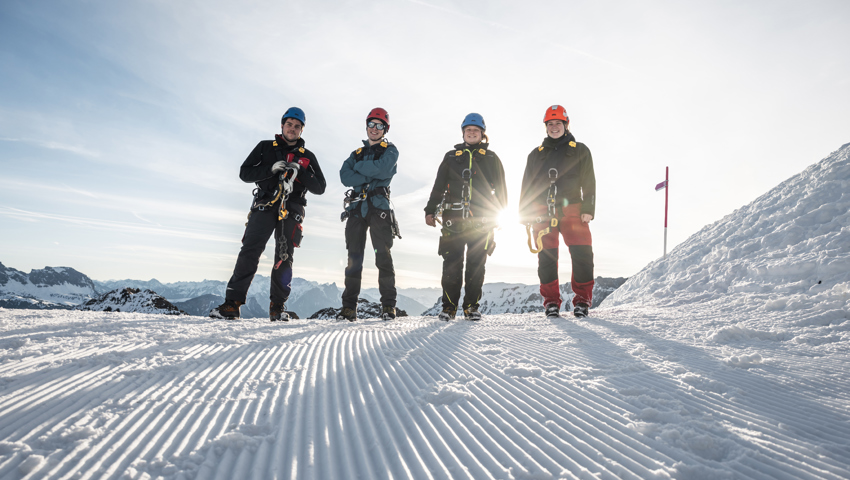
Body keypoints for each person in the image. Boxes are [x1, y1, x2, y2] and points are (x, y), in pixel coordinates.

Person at [210, 107, 326, 321]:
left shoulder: (307, 157)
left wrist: (300, 172)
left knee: (284, 256)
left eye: (297, 126)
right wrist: (270, 169)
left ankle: (277, 308)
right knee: (250, 251)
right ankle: (232, 304)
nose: (292, 129)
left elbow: (320, 187)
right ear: (282, 125)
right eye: (289, 124)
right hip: (265, 204)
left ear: (301, 130)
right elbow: (245, 173)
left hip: (291, 209)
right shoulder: (265, 148)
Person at [424, 113, 507, 321]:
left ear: (482, 134)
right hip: (453, 219)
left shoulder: (491, 158)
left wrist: (500, 212)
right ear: (463, 133)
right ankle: (449, 308)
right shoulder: (451, 157)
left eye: (475, 130)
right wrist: (430, 210)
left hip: (482, 221)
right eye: (468, 130)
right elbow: (438, 186)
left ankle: (471, 307)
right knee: (451, 265)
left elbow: (501, 189)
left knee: (476, 266)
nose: (471, 133)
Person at [519, 105, 596, 318]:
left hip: (574, 209)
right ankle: (551, 302)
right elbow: (527, 186)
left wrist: (588, 208)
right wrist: (524, 213)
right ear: (546, 127)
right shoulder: (536, 155)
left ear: (566, 124)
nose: (554, 127)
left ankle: (582, 301)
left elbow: (589, 181)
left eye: (558, 123)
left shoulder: (580, 150)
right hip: (542, 211)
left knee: (582, 255)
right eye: (550, 124)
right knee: (546, 258)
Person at [337, 108, 400, 322]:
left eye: (379, 125)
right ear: (366, 126)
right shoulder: (356, 153)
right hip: (357, 208)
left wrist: (360, 169)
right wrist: (372, 172)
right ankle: (348, 308)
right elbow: (344, 176)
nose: (375, 128)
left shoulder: (390, 151)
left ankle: (388, 306)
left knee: (383, 256)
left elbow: (385, 170)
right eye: (372, 124)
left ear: (385, 129)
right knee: (353, 258)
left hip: (379, 208)